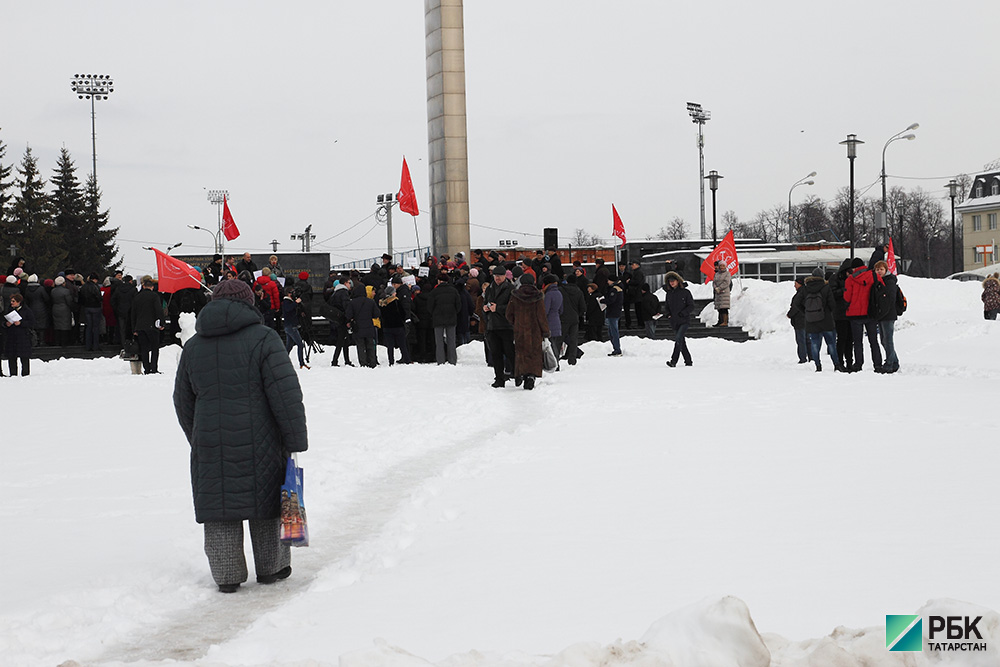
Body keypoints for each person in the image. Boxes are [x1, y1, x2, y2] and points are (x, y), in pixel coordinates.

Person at [173, 278, 307, 593]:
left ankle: (227, 575)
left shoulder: (193, 346)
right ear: (248, 303)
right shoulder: (264, 339)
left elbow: (183, 401)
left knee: (220, 509)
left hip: (211, 443)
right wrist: (294, 440)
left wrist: (200, 436)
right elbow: (285, 395)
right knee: (267, 504)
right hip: (263, 439)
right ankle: (272, 568)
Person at [505, 274, 550, 390]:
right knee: (534, 353)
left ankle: (520, 373)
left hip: (520, 330)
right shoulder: (538, 296)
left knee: (521, 352)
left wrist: (516, 322)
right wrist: (545, 331)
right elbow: (541, 316)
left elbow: (509, 314)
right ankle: (531, 376)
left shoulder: (515, 296)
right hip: (535, 331)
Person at [843, 257, 882, 372]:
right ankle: (878, 364)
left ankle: (858, 364)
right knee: (873, 341)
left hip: (855, 315)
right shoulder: (875, 276)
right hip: (871, 313)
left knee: (857, 341)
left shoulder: (850, 280)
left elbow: (847, 297)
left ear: (854, 268)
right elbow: (881, 291)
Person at [801, 268, 841, 372]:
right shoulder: (826, 287)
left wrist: (807, 312)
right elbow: (832, 304)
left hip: (811, 321)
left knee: (814, 344)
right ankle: (836, 365)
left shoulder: (805, 288)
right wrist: (828, 312)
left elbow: (798, 303)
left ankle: (818, 366)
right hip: (826, 320)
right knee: (831, 344)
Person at [483, 265, 515, 387]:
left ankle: (517, 374)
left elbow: (513, 308)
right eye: (495, 276)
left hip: (506, 326)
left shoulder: (510, 288)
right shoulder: (490, 288)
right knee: (496, 354)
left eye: (500, 276)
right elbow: (487, 302)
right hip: (492, 326)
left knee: (510, 353)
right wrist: (485, 308)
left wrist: (499, 308)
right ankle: (499, 379)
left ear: (505, 276)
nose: (497, 278)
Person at [869, 261, 900, 374]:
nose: (879, 271)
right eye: (877, 270)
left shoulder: (889, 281)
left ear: (886, 270)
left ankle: (889, 364)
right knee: (883, 340)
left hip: (888, 314)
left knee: (888, 340)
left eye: (881, 269)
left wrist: (882, 310)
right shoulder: (877, 281)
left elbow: (889, 299)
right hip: (882, 314)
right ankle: (894, 362)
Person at [131, 278, 165, 374]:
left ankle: (146, 368)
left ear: (143, 286)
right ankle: (153, 368)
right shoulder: (154, 296)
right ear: (152, 287)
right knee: (155, 348)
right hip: (152, 326)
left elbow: (133, 314)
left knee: (144, 349)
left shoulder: (137, 297)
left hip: (140, 326)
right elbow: (158, 310)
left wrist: (134, 328)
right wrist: (161, 323)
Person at [427, 273, 461, 365]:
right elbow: (458, 305)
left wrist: (434, 313)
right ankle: (452, 360)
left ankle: (440, 360)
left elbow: (429, 306)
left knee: (439, 341)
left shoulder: (434, 292)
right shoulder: (453, 291)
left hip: (437, 318)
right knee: (451, 340)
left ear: (439, 281)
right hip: (451, 318)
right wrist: (454, 312)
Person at [344, 283, 380, 368]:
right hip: (369, 327)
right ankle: (372, 362)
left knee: (360, 346)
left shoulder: (353, 302)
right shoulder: (371, 302)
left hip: (358, 327)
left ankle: (363, 363)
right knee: (370, 345)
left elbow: (348, 315)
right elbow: (377, 314)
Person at [828, 259, 855, 372]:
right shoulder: (835, 278)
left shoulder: (851, 278)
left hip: (851, 312)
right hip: (840, 313)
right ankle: (839, 363)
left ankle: (849, 362)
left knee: (850, 339)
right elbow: (832, 293)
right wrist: (845, 290)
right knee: (842, 339)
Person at [663, 271, 694, 367]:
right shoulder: (669, 294)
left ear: (678, 281)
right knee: (681, 341)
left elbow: (691, 306)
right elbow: (666, 306)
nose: (671, 283)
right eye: (670, 281)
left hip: (684, 320)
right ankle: (688, 361)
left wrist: (683, 313)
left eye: (673, 281)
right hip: (674, 321)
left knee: (678, 339)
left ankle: (673, 361)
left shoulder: (685, 292)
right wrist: (668, 314)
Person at [379, 285, 411, 365]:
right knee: (402, 345)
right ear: (392, 293)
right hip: (398, 326)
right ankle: (407, 359)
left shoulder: (382, 303)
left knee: (390, 346)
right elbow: (402, 313)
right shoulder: (396, 302)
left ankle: (391, 361)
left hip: (387, 327)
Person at [4, 293, 35, 376]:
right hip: (12, 336)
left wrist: (21, 323)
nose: (11, 303)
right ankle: (13, 373)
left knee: (24, 356)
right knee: (11, 356)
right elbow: (3, 322)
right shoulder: (9, 310)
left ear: (19, 302)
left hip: (23, 336)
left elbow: (32, 322)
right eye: (11, 301)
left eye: (13, 301)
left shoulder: (27, 310)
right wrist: (6, 324)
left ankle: (25, 373)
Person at [559, 274, 586, 365]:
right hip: (574, 319)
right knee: (573, 339)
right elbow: (583, 307)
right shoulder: (579, 291)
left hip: (563, 318)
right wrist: (578, 314)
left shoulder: (561, 290)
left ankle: (555, 358)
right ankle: (572, 359)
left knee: (560, 339)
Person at [281, 286, 309, 369]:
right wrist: (295, 303)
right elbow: (288, 309)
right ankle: (301, 363)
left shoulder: (289, 301)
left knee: (289, 346)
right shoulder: (286, 301)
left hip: (289, 326)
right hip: (291, 326)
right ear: (289, 294)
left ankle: (283, 362)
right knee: (300, 344)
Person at [328, 279, 354, 367]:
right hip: (342, 320)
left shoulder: (335, 293)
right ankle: (335, 361)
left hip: (336, 319)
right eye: (349, 283)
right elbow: (346, 307)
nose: (350, 285)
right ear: (345, 283)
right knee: (341, 340)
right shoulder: (344, 293)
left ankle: (346, 360)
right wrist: (348, 319)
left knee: (344, 340)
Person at [787, 276, 811, 364]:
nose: (794, 286)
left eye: (795, 284)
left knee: (801, 341)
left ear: (799, 284)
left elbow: (795, 306)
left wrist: (790, 314)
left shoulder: (799, 294)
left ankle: (803, 359)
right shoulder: (808, 293)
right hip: (808, 320)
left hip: (800, 321)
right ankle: (811, 357)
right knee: (808, 340)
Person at [542, 274, 563, 370]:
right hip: (557, 320)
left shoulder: (549, 294)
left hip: (549, 321)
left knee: (550, 345)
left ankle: (553, 364)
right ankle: (557, 363)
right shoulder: (559, 293)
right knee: (555, 344)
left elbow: (545, 310)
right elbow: (561, 310)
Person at [604, 275, 624, 357]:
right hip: (616, 312)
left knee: (613, 332)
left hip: (613, 312)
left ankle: (617, 349)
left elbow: (611, 300)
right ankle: (616, 349)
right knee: (612, 331)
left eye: (609, 280)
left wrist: (603, 300)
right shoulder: (619, 288)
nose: (607, 282)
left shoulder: (614, 289)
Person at [712, 260, 731, 327]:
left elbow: (726, 283)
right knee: (719, 308)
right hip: (718, 293)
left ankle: (725, 321)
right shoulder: (717, 274)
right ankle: (720, 321)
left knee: (724, 308)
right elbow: (714, 282)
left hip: (724, 293)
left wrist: (719, 288)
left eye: (723, 266)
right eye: (720, 266)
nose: (722, 267)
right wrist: (715, 288)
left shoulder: (727, 273)